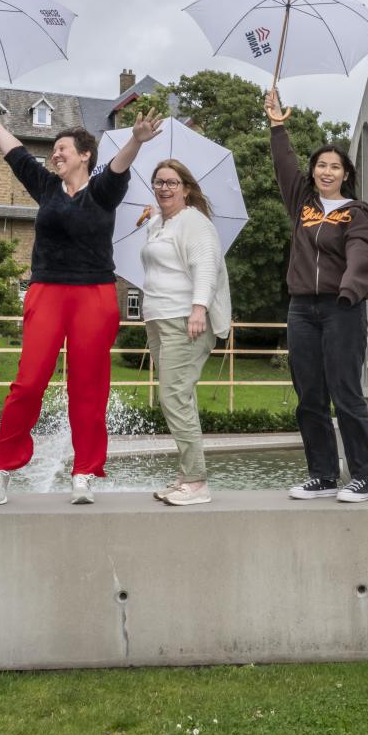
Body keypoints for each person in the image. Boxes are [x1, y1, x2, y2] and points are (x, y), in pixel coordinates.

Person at [0, 94, 162, 506]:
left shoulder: (103, 190)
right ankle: (1, 467)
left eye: (62, 149)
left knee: (88, 388)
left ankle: (84, 472)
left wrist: (136, 139)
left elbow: (120, 165)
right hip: (47, 291)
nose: (55, 154)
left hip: (94, 294)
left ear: (84, 155)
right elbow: (15, 153)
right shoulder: (46, 187)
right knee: (28, 383)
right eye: (54, 150)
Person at [266, 87, 368, 503]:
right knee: (310, 397)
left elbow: (363, 252)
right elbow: (285, 166)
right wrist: (277, 126)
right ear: (313, 172)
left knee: (346, 394)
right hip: (301, 309)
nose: (326, 171)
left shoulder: (356, 213)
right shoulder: (303, 204)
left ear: (345, 174)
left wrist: (350, 289)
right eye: (321, 165)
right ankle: (323, 475)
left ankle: (364, 477)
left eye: (335, 166)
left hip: (342, 308)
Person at [141, 159, 232, 507]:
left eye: (172, 183)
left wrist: (198, 309)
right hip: (159, 319)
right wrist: (153, 220)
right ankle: (185, 476)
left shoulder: (195, 222)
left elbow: (206, 267)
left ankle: (196, 482)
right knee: (180, 397)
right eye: (159, 182)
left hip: (184, 319)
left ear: (186, 188)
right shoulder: (158, 223)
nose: (164, 188)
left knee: (174, 397)